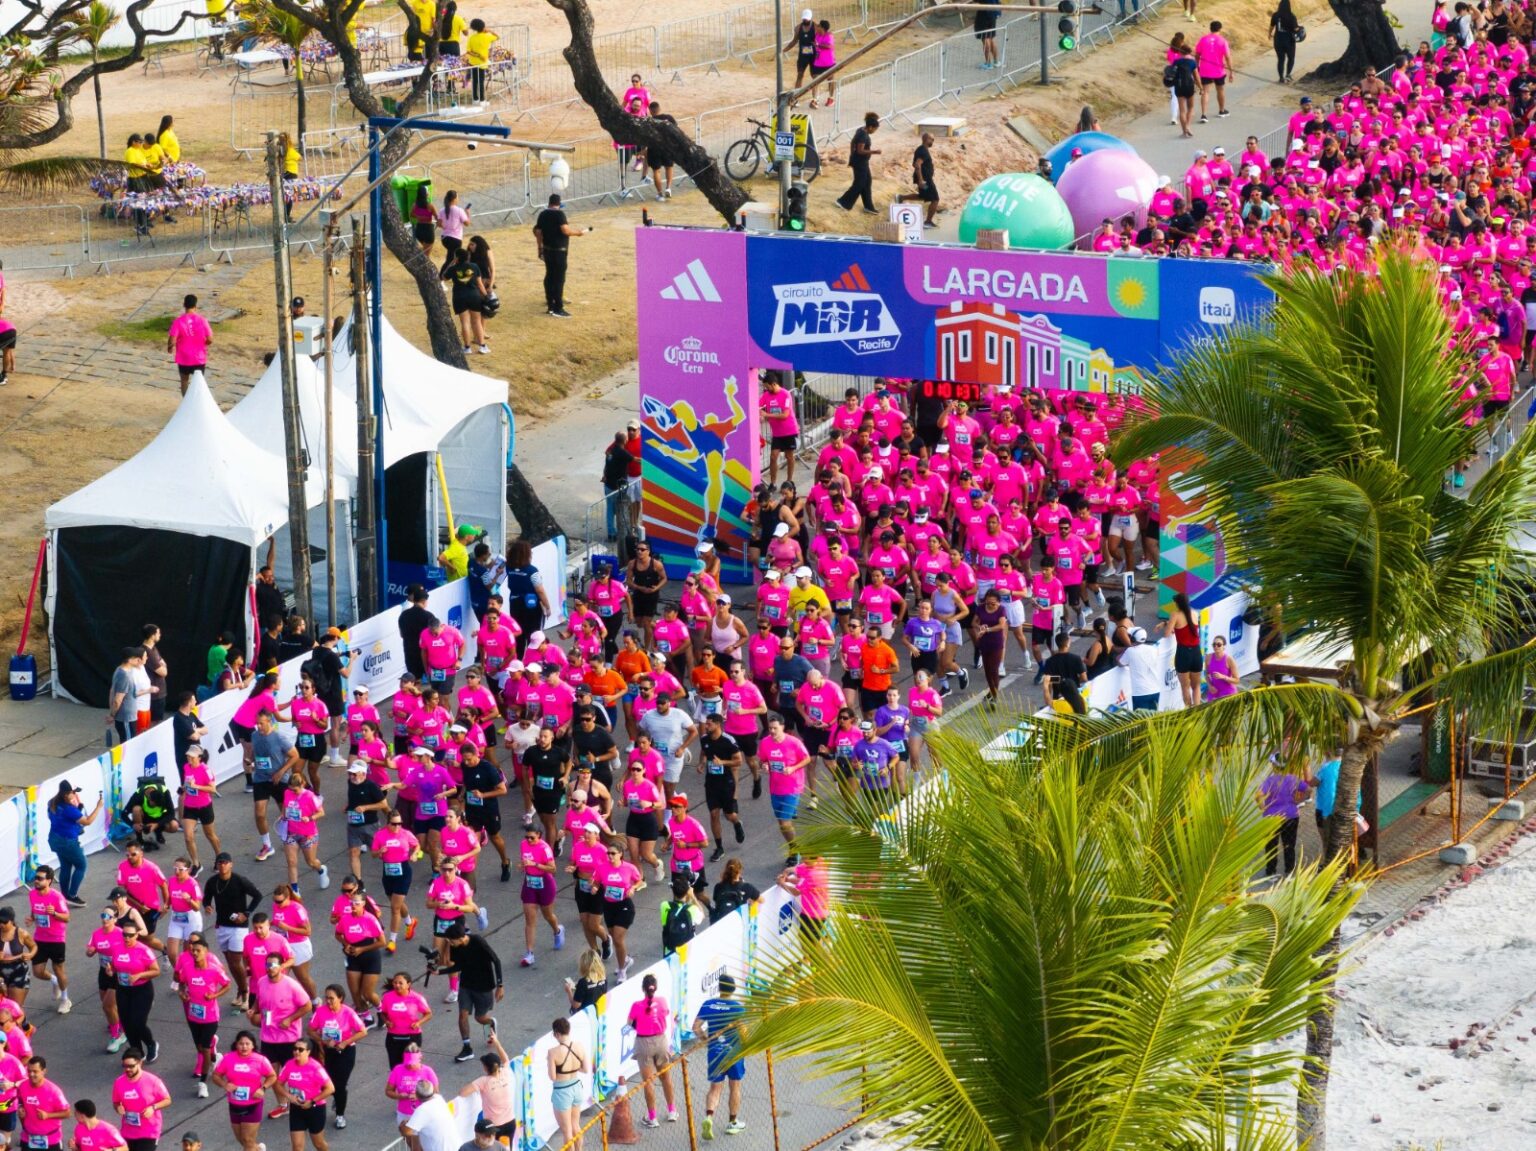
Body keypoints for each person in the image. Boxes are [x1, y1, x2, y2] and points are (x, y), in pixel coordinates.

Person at [201, 852, 263, 1010]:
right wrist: (207, 905)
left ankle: (246, 993)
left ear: (231, 864)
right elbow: (206, 897)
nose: (222, 865)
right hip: (221, 926)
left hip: (238, 928)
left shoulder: (239, 880)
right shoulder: (212, 881)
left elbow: (257, 896)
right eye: (219, 862)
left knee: (236, 961)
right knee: (231, 962)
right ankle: (240, 991)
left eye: (225, 862)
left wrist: (246, 913)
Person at [174, 933, 230, 1099]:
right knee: (201, 1048)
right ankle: (216, 1057)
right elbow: (181, 984)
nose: (194, 953)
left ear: (206, 952)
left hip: (210, 1016)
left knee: (204, 1049)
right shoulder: (188, 968)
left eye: (198, 950)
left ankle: (203, 1083)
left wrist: (214, 996)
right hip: (194, 1015)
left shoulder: (214, 969)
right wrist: (182, 994)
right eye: (193, 950)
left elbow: (227, 985)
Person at [693, 973, 748, 1137]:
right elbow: (744, 1034)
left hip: (715, 1052)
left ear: (719, 988)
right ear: (733, 989)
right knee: (734, 1086)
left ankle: (709, 1116)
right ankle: (732, 1122)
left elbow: (696, 1027)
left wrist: (707, 1040)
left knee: (715, 1088)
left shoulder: (709, 1004)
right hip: (733, 1052)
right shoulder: (738, 1008)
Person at [306, 984, 365, 1130]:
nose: (328, 1001)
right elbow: (310, 1030)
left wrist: (344, 1043)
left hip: (346, 1052)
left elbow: (362, 1031)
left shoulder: (349, 1013)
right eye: (326, 998)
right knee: (329, 1082)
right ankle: (338, 1099)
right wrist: (323, 1041)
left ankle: (340, 1115)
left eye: (332, 998)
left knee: (339, 1085)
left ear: (341, 998)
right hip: (329, 1051)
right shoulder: (320, 1012)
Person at [210, 1031, 277, 1151]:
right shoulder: (228, 1058)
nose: (244, 1047)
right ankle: (259, 1149)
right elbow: (215, 1076)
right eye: (241, 1044)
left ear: (253, 1045)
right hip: (234, 1104)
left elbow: (272, 1076)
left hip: (253, 1104)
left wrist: (263, 1088)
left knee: (247, 1140)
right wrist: (225, 1084)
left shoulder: (260, 1060)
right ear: (236, 1045)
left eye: (247, 1044)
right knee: (242, 1139)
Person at [629, 973, 676, 1126]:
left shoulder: (637, 1006)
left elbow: (630, 1023)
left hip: (644, 1043)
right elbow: (666, 1014)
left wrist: (641, 1025)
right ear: (655, 988)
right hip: (661, 1040)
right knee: (666, 1077)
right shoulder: (662, 1001)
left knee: (648, 1082)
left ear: (643, 988)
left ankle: (652, 1117)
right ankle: (672, 1111)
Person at [533, 194, 591, 319]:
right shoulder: (559, 214)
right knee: (559, 279)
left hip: (547, 250)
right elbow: (565, 231)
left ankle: (550, 303)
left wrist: (540, 248)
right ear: (559, 203)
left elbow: (537, 232)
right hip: (559, 251)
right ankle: (557, 307)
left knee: (549, 276)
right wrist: (578, 233)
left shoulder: (542, 214)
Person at [275, 1038, 334, 1149]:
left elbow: (330, 1088)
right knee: (297, 1147)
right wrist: (289, 1096)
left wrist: (311, 1102)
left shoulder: (315, 1067)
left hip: (315, 1109)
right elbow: (278, 1084)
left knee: (319, 1144)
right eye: (295, 1048)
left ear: (308, 1052)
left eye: (301, 1049)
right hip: (296, 1108)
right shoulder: (289, 1065)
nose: (296, 1051)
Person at [26, 865, 71, 1013]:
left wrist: (55, 914)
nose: (36, 881)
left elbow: (67, 918)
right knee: (38, 972)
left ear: (49, 881)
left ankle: (65, 999)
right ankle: (54, 982)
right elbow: (34, 909)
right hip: (40, 938)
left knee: (58, 969)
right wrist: (31, 918)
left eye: (40, 878)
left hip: (57, 939)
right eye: (35, 878)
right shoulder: (32, 894)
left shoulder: (57, 897)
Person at [456, 1034, 516, 1143]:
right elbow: (506, 1059)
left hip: (493, 1127)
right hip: (511, 1122)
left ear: (485, 1068)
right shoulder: (505, 1072)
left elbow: (462, 1093)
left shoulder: (483, 1081)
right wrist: (496, 1042)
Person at [46, 786, 98, 906]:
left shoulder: (52, 803)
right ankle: (72, 895)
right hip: (68, 841)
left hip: (55, 839)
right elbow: (88, 821)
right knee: (81, 865)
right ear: (66, 795)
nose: (74, 795)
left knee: (66, 866)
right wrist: (99, 807)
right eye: (73, 793)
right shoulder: (68, 809)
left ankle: (64, 895)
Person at [111, 1045, 171, 1148]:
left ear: (140, 1063)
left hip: (149, 1131)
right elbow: (116, 1102)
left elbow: (167, 1100)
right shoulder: (119, 1082)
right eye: (125, 1066)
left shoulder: (153, 1081)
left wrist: (153, 1108)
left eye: (131, 1066)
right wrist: (118, 1108)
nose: (128, 1069)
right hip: (128, 1130)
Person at [548, 1017, 590, 1151]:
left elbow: (552, 1077)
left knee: (567, 1131)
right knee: (576, 1126)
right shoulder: (579, 1046)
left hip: (562, 1091)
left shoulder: (553, 1052)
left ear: (557, 1033)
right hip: (576, 1086)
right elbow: (585, 1069)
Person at [1260, 766, 1308, 878]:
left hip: (1272, 817)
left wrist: (1263, 807)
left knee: (1271, 845)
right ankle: (1289, 872)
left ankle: (1271, 872)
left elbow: (1258, 795)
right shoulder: (1293, 778)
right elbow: (1308, 790)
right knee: (1289, 845)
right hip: (1291, 815)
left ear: (1274, 766)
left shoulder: (1270, 780)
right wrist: (1300, 800)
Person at [440, 246, 489, 356]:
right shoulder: (474, 267)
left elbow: (443, 277)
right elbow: (480, 284)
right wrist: (486, 297)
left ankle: (467, 347)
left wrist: (452, 263)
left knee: (465, 323)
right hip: (474, 296)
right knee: (476, 322)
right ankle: (482, 346)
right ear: (468, 257)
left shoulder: (453, 269)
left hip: (459, 297)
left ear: (456, 258)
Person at [19, 1058, 70, 1151]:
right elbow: (21, 1101)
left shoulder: (54, 1091)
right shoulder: (23, 1086)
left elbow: (67, 1113)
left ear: (44, 1071)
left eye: (35, 1071)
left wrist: (48, 1115)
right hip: (28, 1137)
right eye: (29, 1071)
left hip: (50, 1140)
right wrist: (21, 1108)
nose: (31, 1074)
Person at [835, 112, 880, 213]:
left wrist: (852, 155)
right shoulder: (864, 135)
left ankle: (868, 206)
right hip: (860, 163)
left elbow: (852, 142)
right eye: (875, 129)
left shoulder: (860, 130)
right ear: (871, 127)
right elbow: (860, 150)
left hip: (861, 161)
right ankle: (843, 202)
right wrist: (874, 152)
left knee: (867, 182)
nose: (875, 131)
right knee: (859, 184)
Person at [167, 296, 212, 396]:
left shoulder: (178, 321)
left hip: (184, 357)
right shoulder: (202, 320)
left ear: (184, 305)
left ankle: (185, 404)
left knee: (184, 381)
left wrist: (170, 347)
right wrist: (203, 344)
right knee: (199, 383)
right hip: (199, 358)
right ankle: (198, 403)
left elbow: (172, 340)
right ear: (195, 306)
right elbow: (210, 339)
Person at [1164, 591, 1202, 708]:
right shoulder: (1194, 613)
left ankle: (1189, 710)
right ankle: (1198, 709)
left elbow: (1167, 634)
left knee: (1185, 686)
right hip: (1196, 652)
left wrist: (1168, 625)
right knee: (1196, 686)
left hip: (1183, 653)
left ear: (1177, 604)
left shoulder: (1175, 615)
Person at [896, 133, 939, 226]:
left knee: (923, 196)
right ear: (924, 139)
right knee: (935, 199)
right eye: (930, 139)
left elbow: (915, 164)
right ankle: (928, 222)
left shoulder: (921, 149)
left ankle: (901, 197)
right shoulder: (923, 150)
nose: (932, 141)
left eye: (933, 140)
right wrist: (921, 180)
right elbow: (917, 164)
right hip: (925, 180)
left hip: (924, 178)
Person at [401, 1079, 456, 1151]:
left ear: (416, 1094)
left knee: (408, 1129)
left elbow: (406, 1131)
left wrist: (403, 1125)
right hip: (454, 1146)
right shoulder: (438, 1098)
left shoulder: (422, 1110)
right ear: (432, 1092)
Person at [107, 648, 147, 746]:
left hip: (127, 717)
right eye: (136, 659)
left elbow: (112, 691)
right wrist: (112, 715)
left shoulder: (120, 670)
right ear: (129, 660)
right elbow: (118, 699)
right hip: (126, 718)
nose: (139, 660)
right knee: (128, 744)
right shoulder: (125, 675)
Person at [1193, 20, 1231, 123]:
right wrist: (1231, 71)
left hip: (1205, 69)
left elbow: (1197, 54)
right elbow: (1227, 57)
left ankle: (1204, 115)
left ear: (1210, 28)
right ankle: (1222, 110)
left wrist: (1196, 66)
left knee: (1205, 92)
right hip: (1218, 70)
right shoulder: (1223, 41)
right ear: (1220, 29)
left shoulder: (1203, 39)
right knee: (1220, 90)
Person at [1120, 626, 1164, 712]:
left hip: (1139, 693)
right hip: (1155, 690)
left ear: (1132, 639)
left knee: (1141, 721)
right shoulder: (1153, 649)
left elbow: (1120, 662)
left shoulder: (1130, 651)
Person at [464, 18, 498, 103]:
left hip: (473, 63)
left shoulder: (471, 38)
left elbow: (468, 51)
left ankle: (475, 99)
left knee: (475, 81)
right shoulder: (487, 37)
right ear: (483, 27)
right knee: (481, 81)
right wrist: (489, 31)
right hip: (482, 63)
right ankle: (482, 100)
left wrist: (478, 55)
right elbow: (497, 37)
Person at [808, 18, 836, 106]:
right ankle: (814, 100)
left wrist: (818, 45)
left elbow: (829, 46)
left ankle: (831, 98)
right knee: (815, 80)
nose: (817, 27)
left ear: (823, 28)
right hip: (818, 62)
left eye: (819, 26)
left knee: (830, 80)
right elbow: (815, 26)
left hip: (829, 62)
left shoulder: (829, 35)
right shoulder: (817, 35)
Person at [1269, 0, 1298, 82]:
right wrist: (1299, 28)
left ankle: (1281, 78)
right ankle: (1288, 74)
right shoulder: (1291, 16)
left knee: (1281, 59)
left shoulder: (1275, 15)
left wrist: (1269, 34)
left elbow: (1271, 26)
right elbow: (1295, 29)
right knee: (1291, 58)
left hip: (1278, 40)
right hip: (1289, 41)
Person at [1205, 635, 1240, 701]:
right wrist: (1210, 686)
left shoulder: (1229, 659)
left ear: (1224, 646)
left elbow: (1237, 680)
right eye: (1214, 644)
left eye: (1219, 644)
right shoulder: (1208, 657)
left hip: (1228, 691)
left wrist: (1223, 677)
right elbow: (1206, 674)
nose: (1216, 646)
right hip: (1214, 691)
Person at [971, 0, 1000, 68]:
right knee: (991, 38)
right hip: (993, 13)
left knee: (985, 38)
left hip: (984, 15)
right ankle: (996, 62)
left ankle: (988, 63)